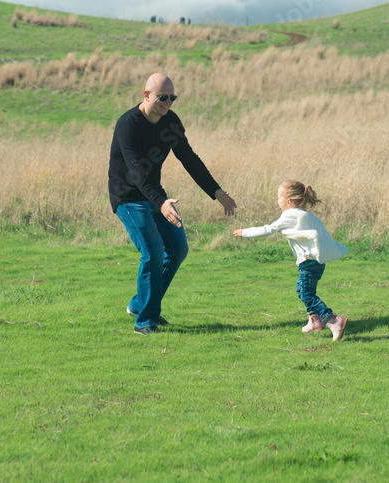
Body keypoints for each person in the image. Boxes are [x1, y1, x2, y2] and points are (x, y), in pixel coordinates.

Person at [109, 73, 237, 335]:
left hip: (156, 196)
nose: (168, 102)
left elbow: (189, 158)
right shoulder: (128, 124)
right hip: (129, 197)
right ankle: (145, 321)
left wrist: (215, 190)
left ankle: (140, 304)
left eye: (172, 97)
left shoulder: (171, 122)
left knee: (178, 249)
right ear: (146, 95)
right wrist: (161, 202)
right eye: (162, 97)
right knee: (153, 253)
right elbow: (136, 172)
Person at [233, 181, 349, 341]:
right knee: (306, 291)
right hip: (317, 263)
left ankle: (333, 320)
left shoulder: (290, 215)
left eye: (278, 197)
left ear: (288, 201)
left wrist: (244, 232)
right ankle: (315, 322)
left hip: (307, 264)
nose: (277, 201)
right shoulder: (308, 215)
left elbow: (268, 229)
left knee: (305, 293)